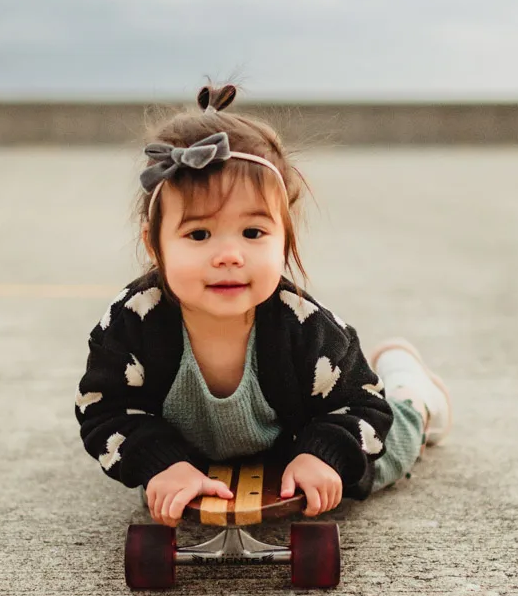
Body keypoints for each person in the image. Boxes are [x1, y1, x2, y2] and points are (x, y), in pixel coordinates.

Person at [74, 84, 451, 525]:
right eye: (199, 235)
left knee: (379, 460)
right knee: (159, 488)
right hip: (191, 449)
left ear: (285, 239)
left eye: (253, 233)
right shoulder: (133, 322)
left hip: (298, 437)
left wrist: (323, 455)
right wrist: (161, 463)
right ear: (154, 246)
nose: (230, 255)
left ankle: (413, 389)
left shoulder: (305, 325)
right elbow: (107, 408)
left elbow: (362, 406)